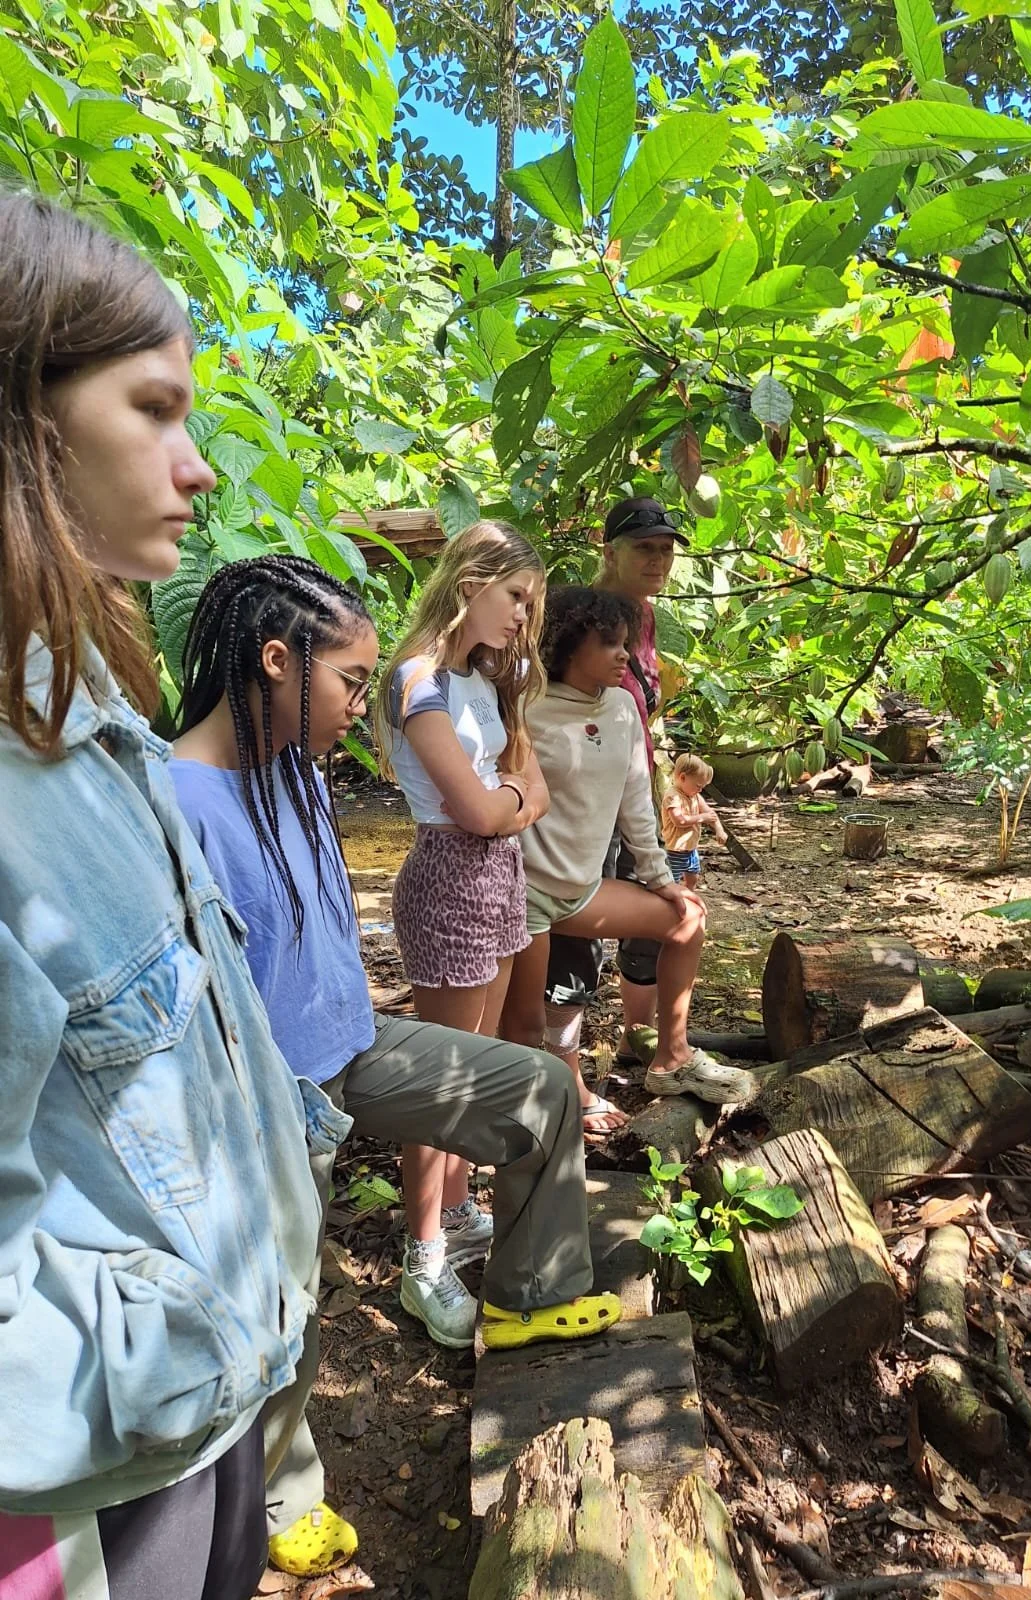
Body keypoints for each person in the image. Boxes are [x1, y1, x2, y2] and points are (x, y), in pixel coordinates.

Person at [0, 193, 341, 1600]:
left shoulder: (100, 725)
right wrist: (160, 1355)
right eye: (156, 408)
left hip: (208, 1411)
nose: (197, 468)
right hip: (94, 1482)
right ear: (24, 418)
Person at [172, 556, 619, 1578]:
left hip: (356, 1042)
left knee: (539, 1086)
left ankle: (531, 1292)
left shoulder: (285, 762)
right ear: (276, 662)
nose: (356, 706)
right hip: (273, 1098)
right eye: (346, 680)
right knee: (285, 1299)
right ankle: (283, 1497)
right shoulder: (179, 798)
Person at [370, 521, 549, 1336]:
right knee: (440, 1085)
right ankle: (423, 1259)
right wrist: (508, 807)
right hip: (448, 877)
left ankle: (456, 1205)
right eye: (515, 596)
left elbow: (522, 794)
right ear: (472, 579)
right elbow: (481, 808)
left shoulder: (481, 682)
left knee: (476, 1068)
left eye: (531, 604)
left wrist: (506, 809)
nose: (522, 617)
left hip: (496, 877)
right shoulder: (417, 679)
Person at [500, 587, 755, 1121]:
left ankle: (671, 1056)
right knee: (526, 1027)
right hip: (525, 895)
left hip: (584, 890)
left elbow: (636, 799)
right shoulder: (525, 706)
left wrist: (660, 877)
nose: (624, 656)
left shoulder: (621, 707)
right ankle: (542, 1117)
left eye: (626, 644)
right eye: (608, 644)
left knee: (688, 919)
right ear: (568, 647)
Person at [541, 498, 687, 1105]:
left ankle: (644, 1042)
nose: (658, 559)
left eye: (665, 548)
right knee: (570, 957)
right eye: (643, 548)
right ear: (611, 553)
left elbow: (634, 718)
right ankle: (560, 1081)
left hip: (623, 800)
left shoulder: (640, 621)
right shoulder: (571, 618)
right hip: (565, 832)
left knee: (656, 925)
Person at [661, 754, 728, 888]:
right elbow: (679, 821)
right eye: (698, 785)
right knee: (672, 881)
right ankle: (672, 903)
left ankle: (688, 896)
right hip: (674, 850)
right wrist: (701, 818)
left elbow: (710, 813)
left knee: (693, 877)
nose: (700, 790)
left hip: (691, 849)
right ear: (683, 777)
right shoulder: (672, 797)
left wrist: (719, 830)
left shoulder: (695, 796)